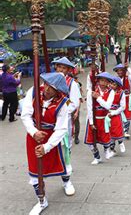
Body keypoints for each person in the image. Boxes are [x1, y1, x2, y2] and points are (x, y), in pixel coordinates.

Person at [21, 73, 75, 215]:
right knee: (35, 170)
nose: (47, 89)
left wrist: (47, 146)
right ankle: (41, 200)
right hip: (34, 137)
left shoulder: (63, 102)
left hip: (53, 138)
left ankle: (66, 182)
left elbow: (61, 128)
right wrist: (34, 132)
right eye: (47, 85)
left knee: (63, 162)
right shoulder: (33, 91)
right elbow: (25, 114)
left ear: (58, 90)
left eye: (52, 88)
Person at [84, 72, 115, 164]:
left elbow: (108, 106)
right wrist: (91, 122)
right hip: (93, 118)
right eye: (101, 80)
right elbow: (89, 107)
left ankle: (106, 150)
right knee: (90, 141)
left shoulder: (111, 92)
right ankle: (96, 156)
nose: (103, 83)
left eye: (105, 81)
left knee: (105, 139)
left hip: (104, 119)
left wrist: (98, 98)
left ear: (108, 82)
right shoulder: (91, 91)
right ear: (98, 81)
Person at [113, 63, 131, 138]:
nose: (120, 72)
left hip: (127, 98)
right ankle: (120, 129)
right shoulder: (115, 80)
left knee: (128, 115)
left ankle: (125, 130)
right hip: (118, 99)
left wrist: (128, 68)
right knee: (119, 114)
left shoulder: (128, 78)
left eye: (121, 70)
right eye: (118, 71)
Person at [108, 76, 126, 155]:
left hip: (116, 114)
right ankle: (111, 148)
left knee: (117, 130)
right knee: (109, 131)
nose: (112, 86)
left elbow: (123, 106)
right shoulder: (107, 92)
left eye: (114, 84)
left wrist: (114, 113)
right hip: (107, 114)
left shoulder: (121, 93)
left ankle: (120, 142)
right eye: (111, 83)